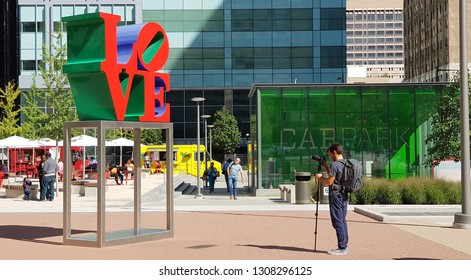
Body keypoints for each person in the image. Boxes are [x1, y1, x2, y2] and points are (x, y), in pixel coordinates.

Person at [315, 143, 349, 256]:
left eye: (330, 154)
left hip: (335, 195)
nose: (330, 156)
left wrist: (320, 178)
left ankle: (342, 247)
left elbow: (329, 182)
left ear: (335, 152)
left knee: (337, 221)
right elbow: (334, 175)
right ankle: (344, 245)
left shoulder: (335, 164)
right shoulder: (345, 163)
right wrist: (324, 166)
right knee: (342, 220)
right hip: (344, 195)